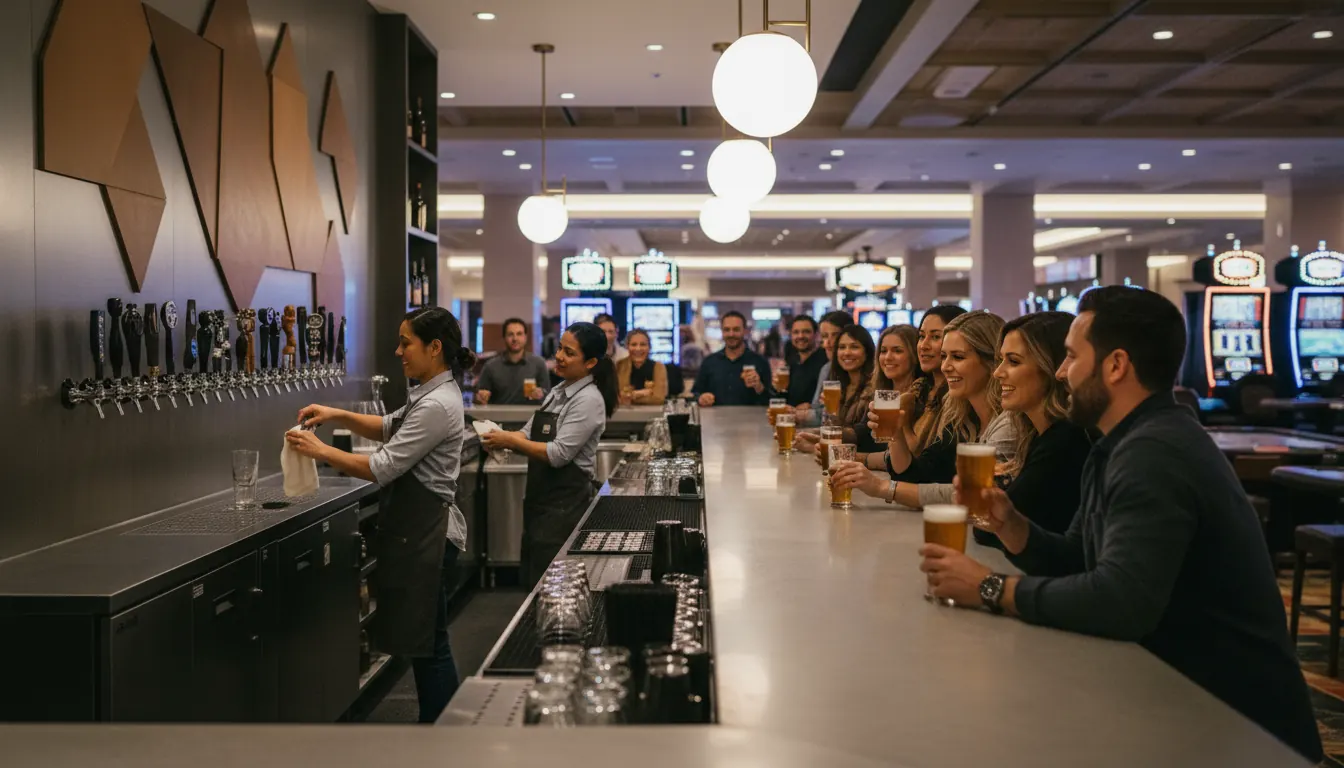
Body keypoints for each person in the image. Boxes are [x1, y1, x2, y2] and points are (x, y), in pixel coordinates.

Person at [919, 286, 1323, 763]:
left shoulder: (1154, 452)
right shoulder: (1118, 441)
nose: (1062, 373)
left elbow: (1120, 601)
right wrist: (1013, 525)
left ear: (1115, 366)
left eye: (1070, 357)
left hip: (1237, 730)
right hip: (1175, 701)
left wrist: (990, 587)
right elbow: (1079, 559)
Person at [285, 307, 473, 723]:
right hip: (420, 532)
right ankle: (440, 730)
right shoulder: (430, 393)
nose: (398, 351)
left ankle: (442, 732)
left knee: (430, 646)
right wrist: (335, 414)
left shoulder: (437, 404)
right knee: (426, 643)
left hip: (430, 535)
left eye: (406, 342)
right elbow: (389, 426)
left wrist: (319, 451)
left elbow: (381, 467)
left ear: (435, 347)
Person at [831, 310, 1016, 509]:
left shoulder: (1010, 424)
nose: (945, 366)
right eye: (944, 356)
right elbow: (918, 474)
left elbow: (978, 497)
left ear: (992, 362)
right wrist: (896, 435)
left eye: (958, 357)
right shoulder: (960, 415)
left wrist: (880, 487)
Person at [480, 322, 617, 586]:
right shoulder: (558, 392)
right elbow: (528, 431)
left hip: (565, 508)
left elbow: (558, 454)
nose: (560, 356)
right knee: (534, 581)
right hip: (540, 504)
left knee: (557, 587)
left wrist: (510, 440)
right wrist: (500, 440)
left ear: (590, 363)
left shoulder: (588, 399)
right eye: (559, 349)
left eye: (569, 352)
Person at [972, 311, 1090, 548]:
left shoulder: (1064, 440)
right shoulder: (1038, 434)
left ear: (1052, 368)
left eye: (1013, 361)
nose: (998, 372)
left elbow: (989, 529)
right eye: (1000, 359)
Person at [693, 310, 771, 407]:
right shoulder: (709, 362)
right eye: (727, 330)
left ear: (745, 331)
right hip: (715, 421)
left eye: (736, 329)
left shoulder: (760, 362)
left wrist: (759, 387)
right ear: (722, 331)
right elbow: (695, 393)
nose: (731, 334)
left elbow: (771, 400)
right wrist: (701, 398)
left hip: (751, 421)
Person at [794, 310, 855, 424]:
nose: (828, 343)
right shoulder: (826, 369)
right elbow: (818, 412)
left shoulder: (862, 372)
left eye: (835, 335)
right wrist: (795, 414)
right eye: (824, 336)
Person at [474, 317, 549, 405]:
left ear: (525, 337)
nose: (515, 338)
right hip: (497, 418)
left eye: (519, 334)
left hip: (530, 418)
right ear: (504, 337)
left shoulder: (539, 364)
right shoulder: (490, 367)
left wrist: (541, 394)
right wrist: (480, 398)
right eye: (510, 334)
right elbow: (477, 399)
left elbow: (548, 397)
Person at [780, 315, 827, 407]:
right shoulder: (791, 361)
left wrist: (811, 408)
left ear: (816, 334)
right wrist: (777, 389)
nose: (800, 336)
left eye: (806, 332)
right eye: (796, 332)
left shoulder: (825, 361)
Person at [616, 329, 668, 405]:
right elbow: (617, 397)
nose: (638, 349)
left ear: (649, 347)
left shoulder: (658, 367)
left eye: (643, 344)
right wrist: (643, 393)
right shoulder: (619, 365)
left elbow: (659, 398)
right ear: (627, 346)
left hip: (652, 414)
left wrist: (630, 396)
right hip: (624, 413)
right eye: (634, 344)